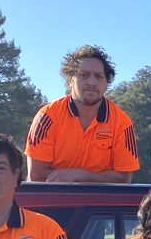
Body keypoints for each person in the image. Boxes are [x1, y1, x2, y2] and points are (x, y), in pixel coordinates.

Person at [25, 45, 139, 183]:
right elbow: (36, 176)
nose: (92, 82)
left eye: (99, 77)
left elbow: (124, 179)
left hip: (98, 203)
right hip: (50, 202)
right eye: (84, 75)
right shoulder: (47, 117)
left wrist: (82, 176)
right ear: (70, 80)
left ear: (106, 83)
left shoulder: (122, 122)